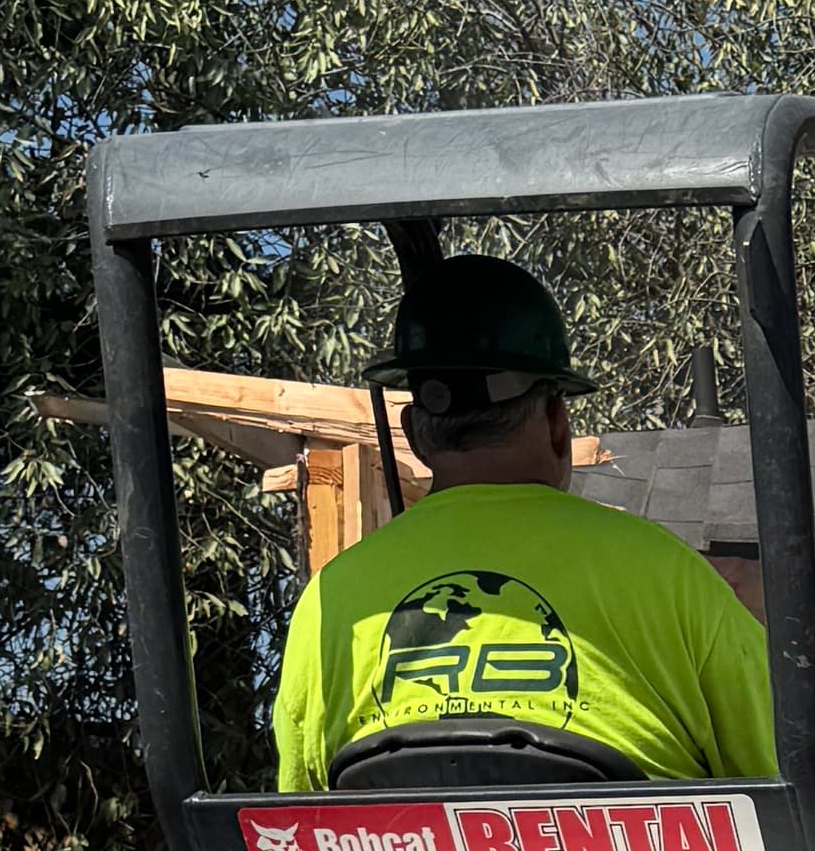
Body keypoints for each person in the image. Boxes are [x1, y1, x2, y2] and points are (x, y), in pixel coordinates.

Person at [270, 252, 781, 792]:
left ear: (415, 434)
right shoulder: (663, 573)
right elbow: (801, 748)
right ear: (558, 424)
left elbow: (302, 805)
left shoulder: (329, 600)